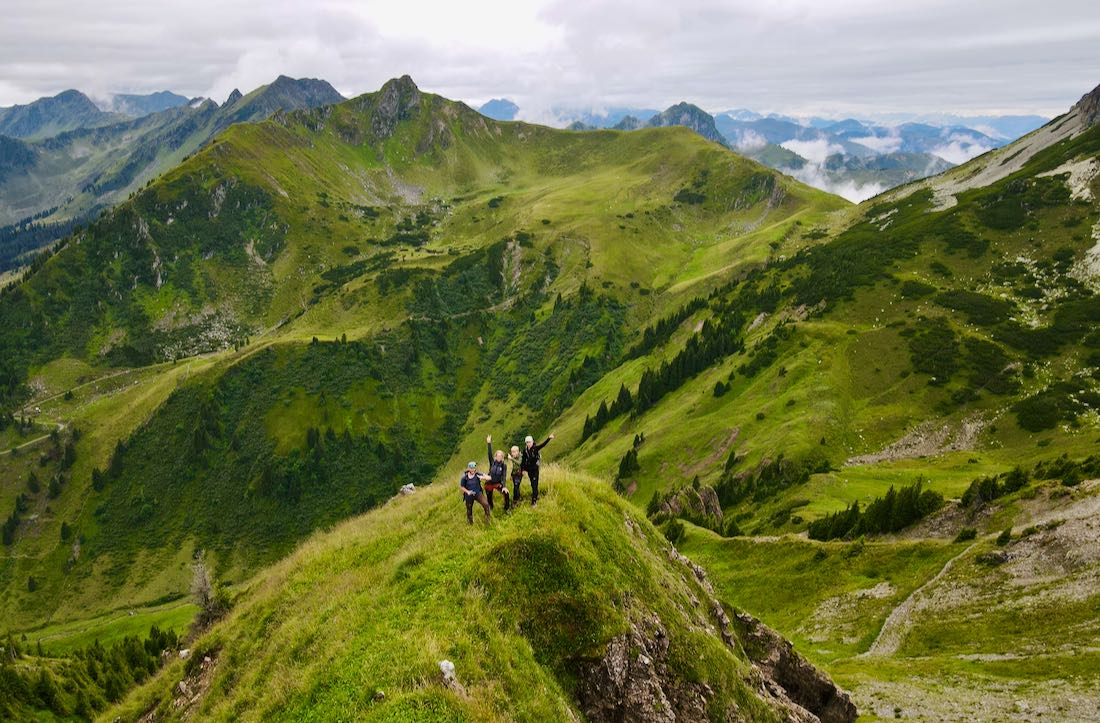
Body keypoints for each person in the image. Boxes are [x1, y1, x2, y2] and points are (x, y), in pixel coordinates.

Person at [521, 433, 554, 505]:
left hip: (535, 469)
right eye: (527, 442)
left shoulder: (535, 448)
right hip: (529, 470)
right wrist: (522, 469)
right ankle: (535, 495)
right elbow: (523, 460)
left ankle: (534, 501)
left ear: (532, 442)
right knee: (532, 485)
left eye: (529, 442)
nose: (528, 444)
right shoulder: (525, 450)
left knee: (534, 485)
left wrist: (549, 438)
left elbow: (543, 445)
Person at [459, 461, 491, 525]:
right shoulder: (464, 477)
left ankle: (487, 520)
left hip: (478, 494)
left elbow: (489, 478)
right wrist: (467, 492)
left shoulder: (478, 474)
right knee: (469, 509)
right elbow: (462, 487)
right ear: (468, 468)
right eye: (471, 468)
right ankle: (470, 522)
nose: (473, 469)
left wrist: (483, 477)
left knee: (486, 505)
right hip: (469, 495)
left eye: (474, 468)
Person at [484, 435, 511, 511]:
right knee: (489, 497)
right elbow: (489, 454)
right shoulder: (492, 462)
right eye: (497, 456)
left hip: (497, 483)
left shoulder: (503, 465)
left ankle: (506, 509)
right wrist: (489, 443)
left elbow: (504, 476)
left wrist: (504, 486)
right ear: (495, 456)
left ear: (502, 457)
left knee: (506, 494)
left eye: (500, 456)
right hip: (489, 482)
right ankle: (491, 508)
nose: (499, 457)